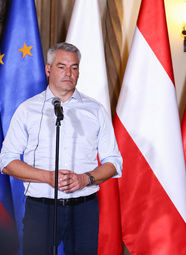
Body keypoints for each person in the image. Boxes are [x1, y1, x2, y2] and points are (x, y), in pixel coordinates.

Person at [0, 42, 123, 255]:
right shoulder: (27, 110)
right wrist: (47, 177)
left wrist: (86, 178)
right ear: (48, 69)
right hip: (41, 209)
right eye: (61, 66)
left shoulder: (95, 110)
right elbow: (7, 161)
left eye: (74, 67)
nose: (69, 73)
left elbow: (114, 162)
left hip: (84, 209)